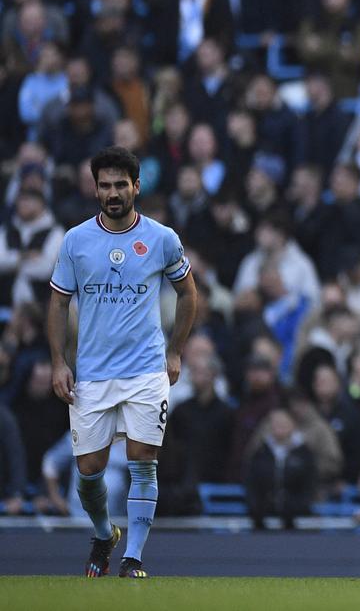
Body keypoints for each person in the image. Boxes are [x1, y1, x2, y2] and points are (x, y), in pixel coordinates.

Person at [47, 146, 198, 578]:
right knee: (88, 471)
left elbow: (188, 292)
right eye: (105, 185)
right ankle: (102, 533)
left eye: (120, 185)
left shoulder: (161, 238)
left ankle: (133, 557)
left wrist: (174, 349)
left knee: (142, 460)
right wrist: (59, 363)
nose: (112, 193)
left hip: (146, 369)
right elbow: (58, 304)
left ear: (136, 186)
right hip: (92, 372)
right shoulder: (76, 241)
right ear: (95, 189)